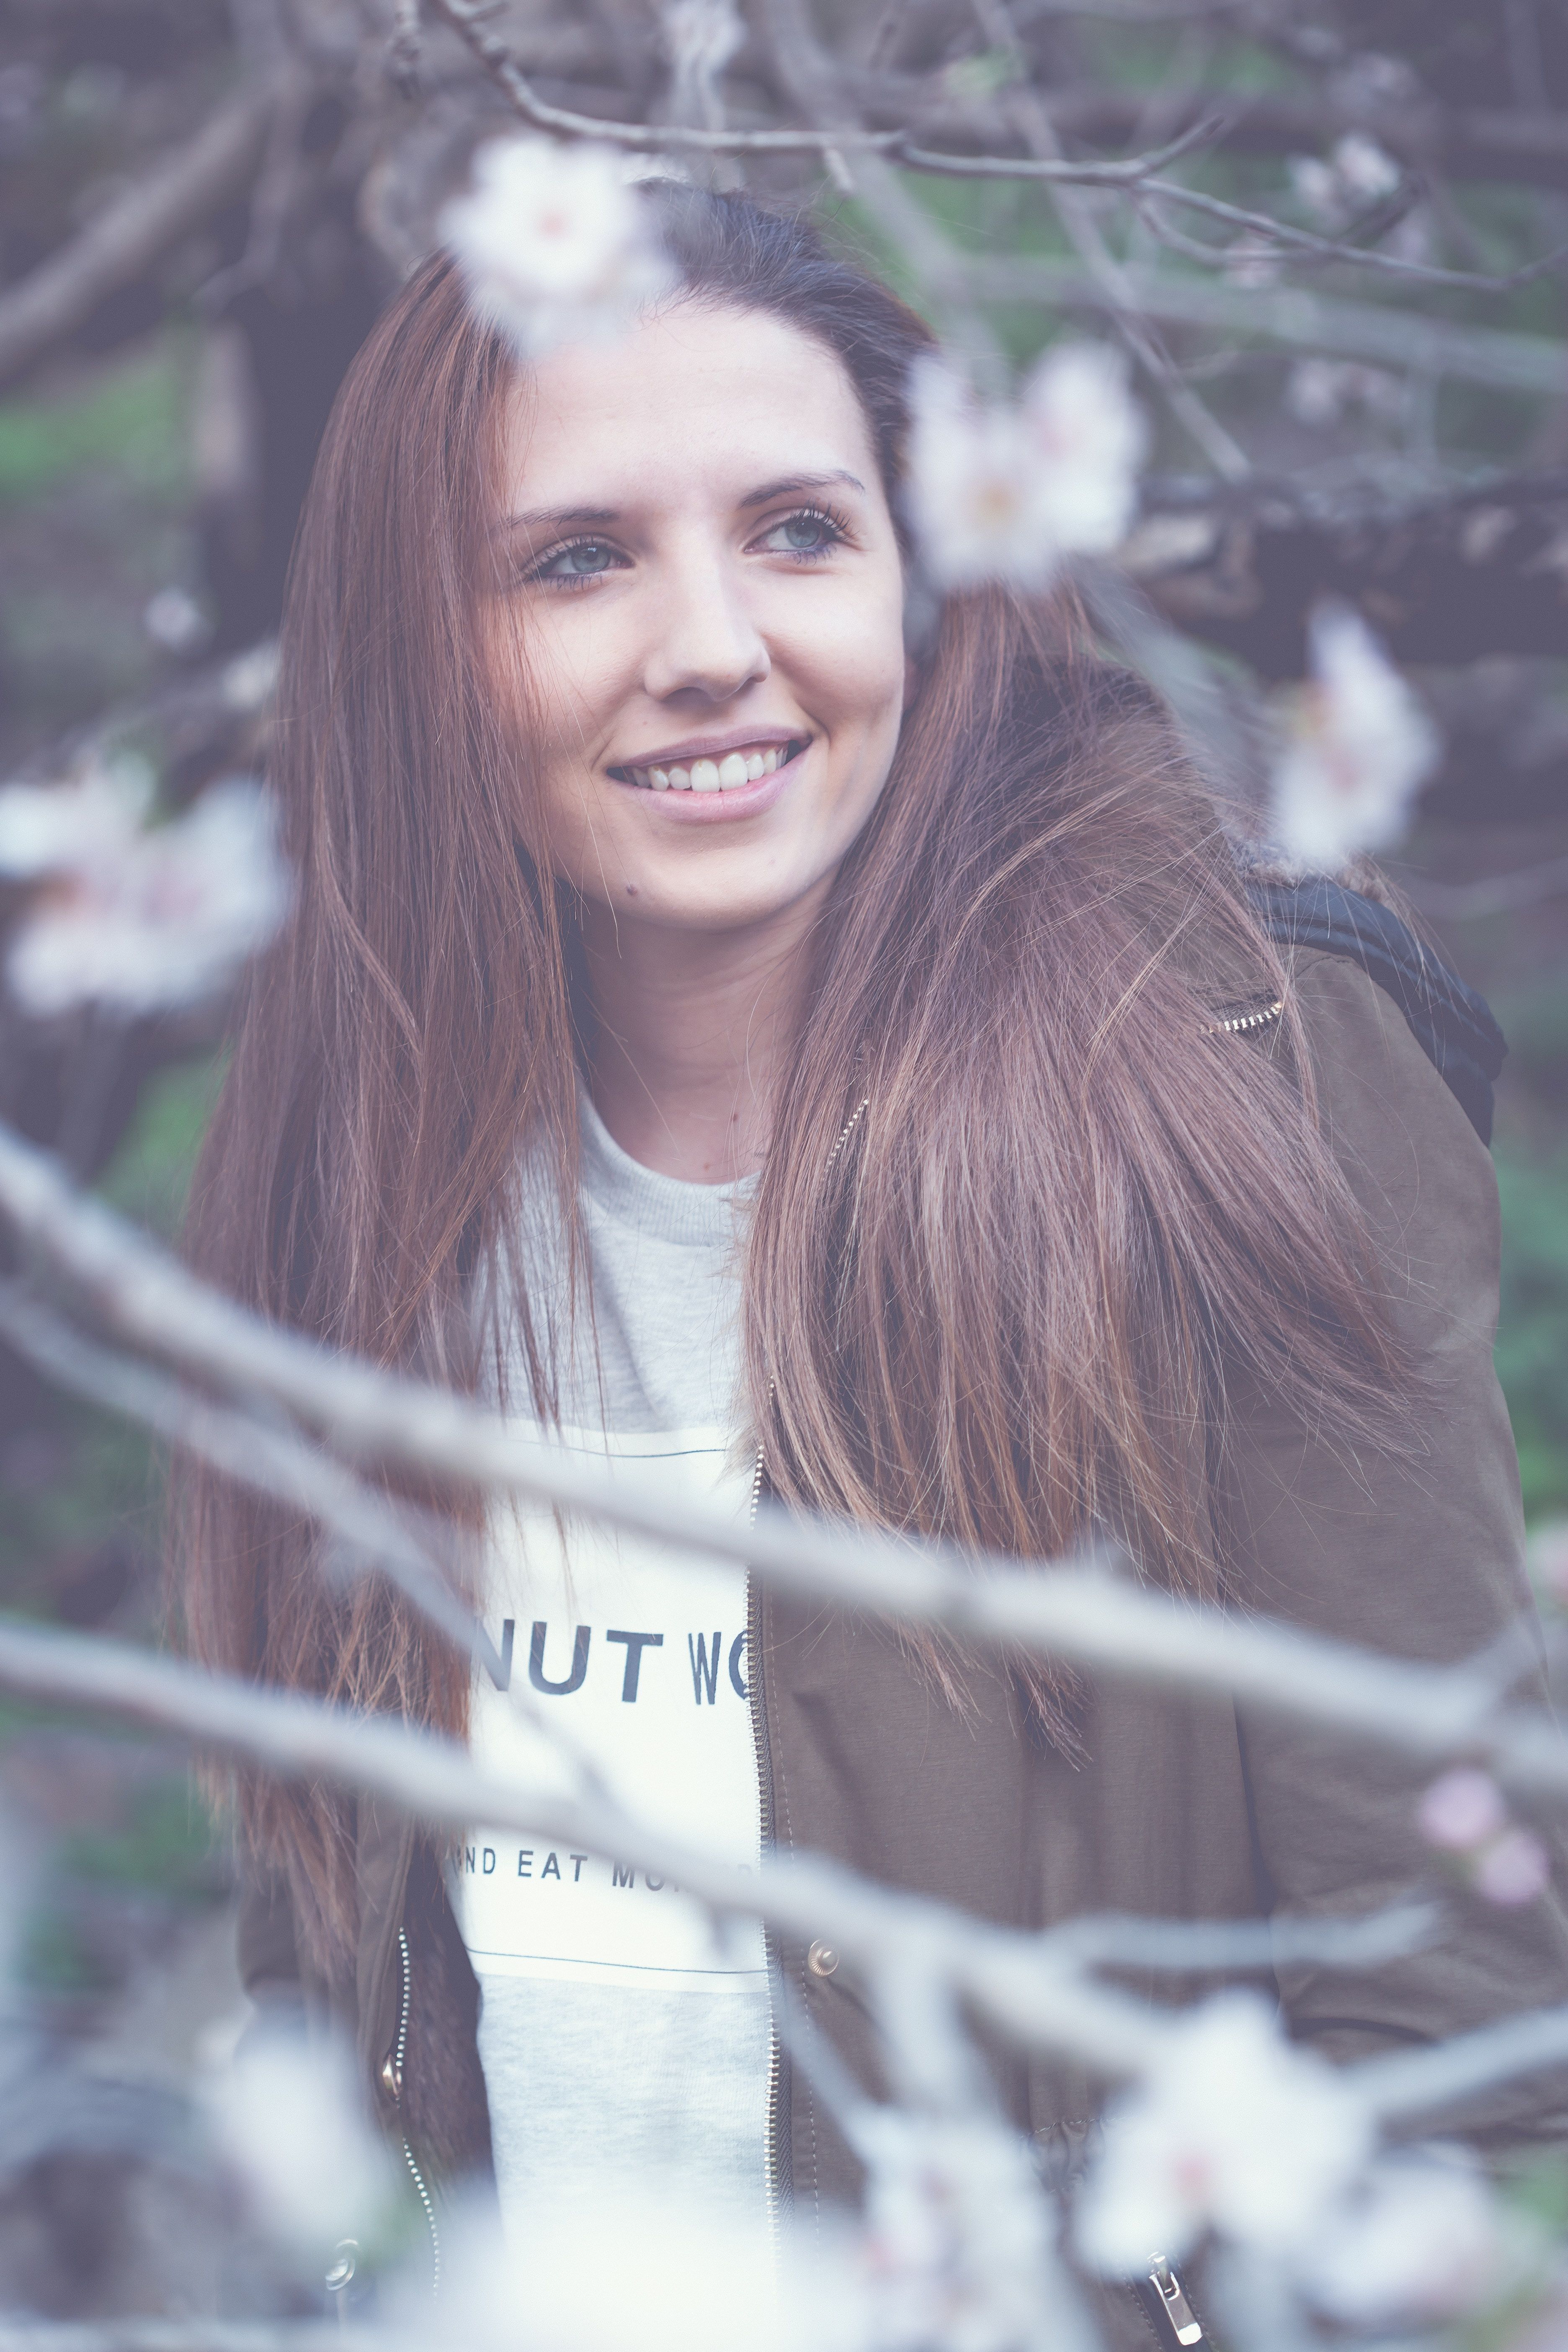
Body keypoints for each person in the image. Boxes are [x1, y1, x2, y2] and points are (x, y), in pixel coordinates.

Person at [179, 184, 1566, 2335]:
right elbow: (326, 1974)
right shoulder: (356, 1165)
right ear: (419, 644)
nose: (712, 642)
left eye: (801, 533)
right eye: (577, 559)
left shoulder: (1226, 1074)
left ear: (926, 578)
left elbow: (1459, 2029)